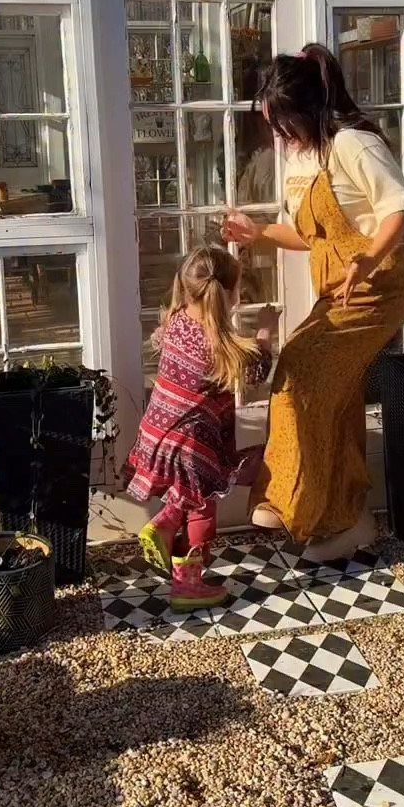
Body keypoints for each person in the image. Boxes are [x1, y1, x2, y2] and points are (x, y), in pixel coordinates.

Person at [223, 43, 404, 562]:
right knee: (337, 400)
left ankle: (284, 498)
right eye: (272, 126)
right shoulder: (303, 157)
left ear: (309, 111)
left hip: (378, 291)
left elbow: (401, 207)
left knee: (300, 366)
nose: (279, 137)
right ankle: (349, 523)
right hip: (338, 291)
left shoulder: (353, 144)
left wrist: (367, 260)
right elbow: (311, 236)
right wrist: (260, 230)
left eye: (285, 125)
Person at [125, 244, 277, 610]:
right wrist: (266, 332)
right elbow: (258, 369)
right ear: (229, 295)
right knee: (202, 511)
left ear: (185, 286)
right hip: (195, 447)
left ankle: (165, 526)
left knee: (186, 497)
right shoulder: (222, 347)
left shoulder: (174, 321)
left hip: (161, 433)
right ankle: (187, 583)